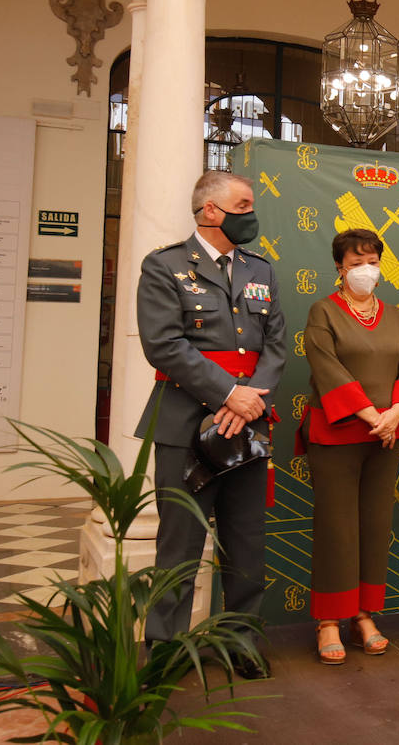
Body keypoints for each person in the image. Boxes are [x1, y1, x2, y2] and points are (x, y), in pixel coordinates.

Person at [136, 171, 286, 679]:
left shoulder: (260, 269)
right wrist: (229, 393)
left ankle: (240, 639)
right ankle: (166, 645)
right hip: (184, 423)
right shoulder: (165, 266)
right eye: (244, 203)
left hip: (247, 424)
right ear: (211, 211)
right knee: (179, 542)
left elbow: (275, 346)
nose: (253, 212)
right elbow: (164, 344)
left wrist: (247, 400)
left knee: (246, 541)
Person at [299, 229, 399, 664]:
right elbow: (325, 365)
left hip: (387, 435)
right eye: (356, 263)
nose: (365, 270)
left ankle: (364, 614)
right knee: (337, 527)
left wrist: (396, 413)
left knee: (375, 523)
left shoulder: (396, 314)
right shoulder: (323, 311)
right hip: (338, 432)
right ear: (340, 267)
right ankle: (329, 619)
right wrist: (371, 415)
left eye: (372, 261)